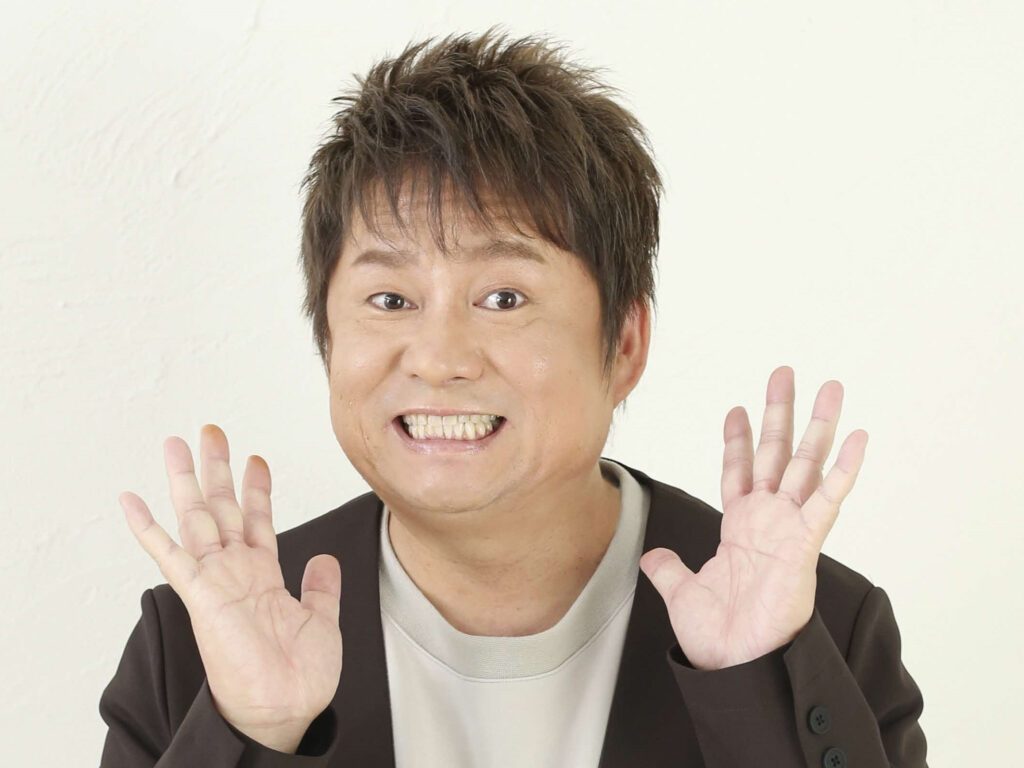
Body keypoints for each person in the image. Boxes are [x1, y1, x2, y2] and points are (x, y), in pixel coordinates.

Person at [98, 27, 928, 767]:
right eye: (390, 299)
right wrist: (255, 732)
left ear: (625, 345)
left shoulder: (809, 626)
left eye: (503, 297)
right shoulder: (204, 637)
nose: (438, 359)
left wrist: (757, 691)